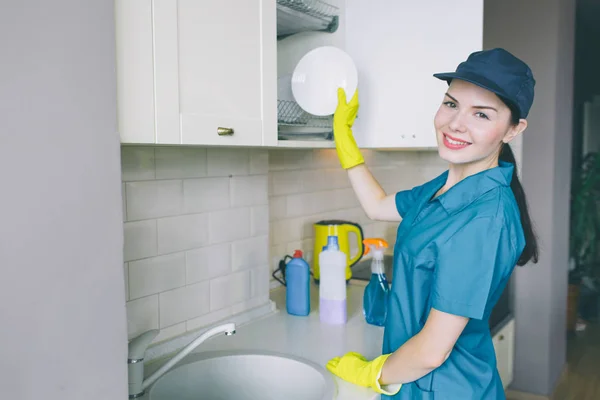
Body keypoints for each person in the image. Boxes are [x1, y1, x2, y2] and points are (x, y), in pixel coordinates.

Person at [325, 48, 539, 399]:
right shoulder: (447, 186)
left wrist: (370, 372)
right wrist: (344, 140)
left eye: (482, 114)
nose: (455, 123)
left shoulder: (485, 218)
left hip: (445, 387)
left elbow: (432, 351)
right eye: (451, 104)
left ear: (514, 129)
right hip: (408, 374)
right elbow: (379, 206)